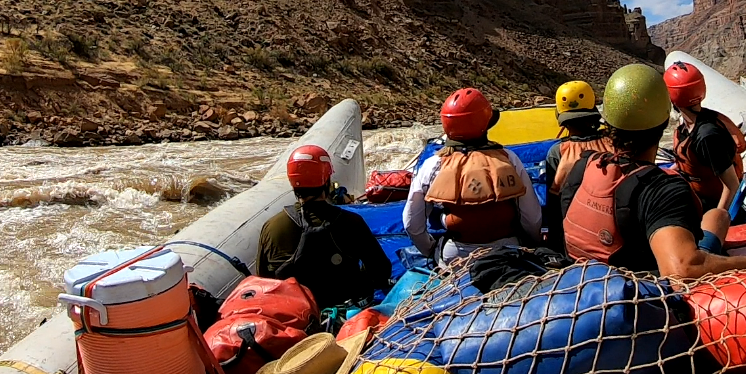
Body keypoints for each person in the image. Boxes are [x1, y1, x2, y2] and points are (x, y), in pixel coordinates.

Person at [560, 64, 746, 278]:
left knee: (717, 214)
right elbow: (682, 270)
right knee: (717, 216)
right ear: (663, 121)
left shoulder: (582, 166)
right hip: (639, 293)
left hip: (581, 283)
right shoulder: (663, 190)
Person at [404, 88, 542, 266]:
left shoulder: (432, 165)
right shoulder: (509, 159)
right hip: (507, 251)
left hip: (455, 256)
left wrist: (431, 250)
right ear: (485, 124)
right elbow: (532, 217)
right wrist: (533, 245)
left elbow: (411, 224)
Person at [256, 144, 392, 309]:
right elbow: (381, 271)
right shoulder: (352, 222)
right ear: (326, 181)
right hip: (345, 316)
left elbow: (263, 280)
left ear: (293, 182)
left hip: (296, 317)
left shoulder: (271, 227)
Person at [664, 60, 746, 220]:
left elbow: (732, 185)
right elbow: (688, 162)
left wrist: (716, 224)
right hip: (700, 198)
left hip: (715, 207)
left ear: (672, 97)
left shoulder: (708, 136)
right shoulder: (688, 125)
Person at [543, 80, 615, 253]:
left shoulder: (557, 152)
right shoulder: (612, 143)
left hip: (572, 240)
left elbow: (553, 207)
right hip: (612, 234)